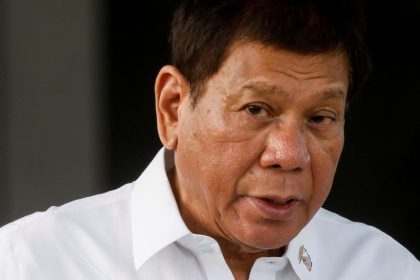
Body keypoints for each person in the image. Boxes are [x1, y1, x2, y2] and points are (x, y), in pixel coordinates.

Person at [1, 0, 419, 279]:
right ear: (173, 106)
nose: (289, 155)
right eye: (256, 109)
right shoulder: (33, 263)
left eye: (320, 117)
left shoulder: (385, 269)